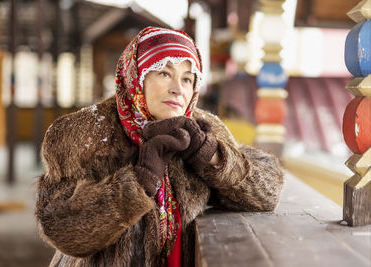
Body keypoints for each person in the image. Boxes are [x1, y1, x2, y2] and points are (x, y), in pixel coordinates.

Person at [35, 26, 284, 267]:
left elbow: (267, 193)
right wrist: (139, 182)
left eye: (187, 79)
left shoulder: (202, 127)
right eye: (164, 73)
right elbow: (59, 227)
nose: (177, 89)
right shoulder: (82, 133)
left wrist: (211, 157)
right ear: (136, 76)